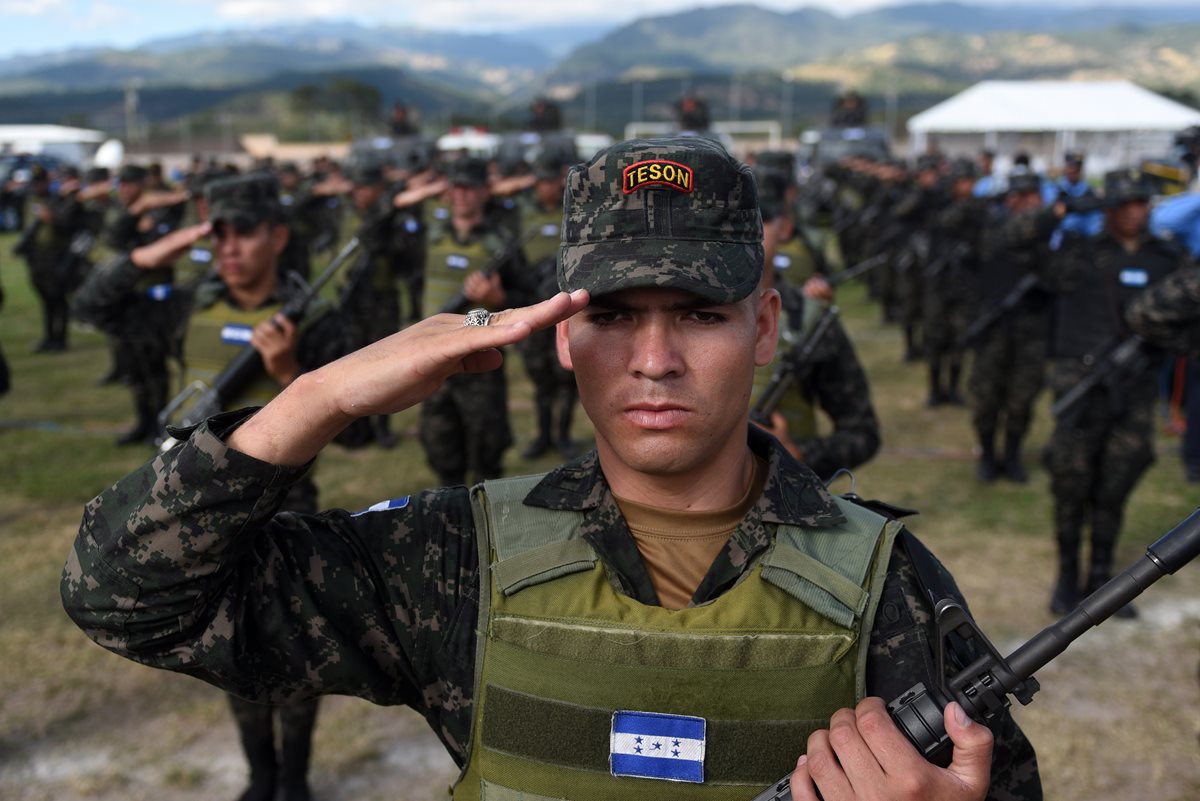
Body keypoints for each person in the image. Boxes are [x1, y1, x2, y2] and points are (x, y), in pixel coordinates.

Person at [63, 138, 1040, 801]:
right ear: (561, 338)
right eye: (611, 315)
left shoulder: (887, 588)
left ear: (767, 327)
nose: (655, 360)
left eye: (700, 313)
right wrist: (313, 398)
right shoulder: (452, 557)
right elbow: (125, 598)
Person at [77, 172, 367, 801]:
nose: (229, 246)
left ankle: (294, 780)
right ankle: (260, 777)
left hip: (286, 514)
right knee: (228, 656)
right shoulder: (189, 306)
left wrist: (294, 375)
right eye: (219, 233)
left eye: (245, 231)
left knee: (295, 654)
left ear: (279, 236)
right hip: (200, 516)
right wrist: (153, 250)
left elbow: (368, 435)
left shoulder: (315, 320)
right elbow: (93, 306)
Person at [1041, 169, 1187, 616]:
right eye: (1126, 204)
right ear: (1108, 210)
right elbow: (1025, 254)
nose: (1136, 212)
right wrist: (1060, 211)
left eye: (1142, 203)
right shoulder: (1079, 254)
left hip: (1136, 389)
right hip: (1082, 388)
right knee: (1071, 483)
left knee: (1115, 484)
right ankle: (1067, 576)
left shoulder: (1168, 256)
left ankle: (1100, 578)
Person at [417, 155, 533, 485]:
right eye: (456, 187)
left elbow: (525, 298)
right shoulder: (431, 236)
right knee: (440, 442)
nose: (462, 195)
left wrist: (497, 302)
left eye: (470, 188)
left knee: (487, 446)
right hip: (432, 353)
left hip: (478, 356)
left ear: (485, 192)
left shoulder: (501, 243)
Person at [966, 173, 1055, 483]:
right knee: (987, 399)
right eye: (1023, 195)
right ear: (1010, 199)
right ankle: (988, 456)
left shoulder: (1047, 237)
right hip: (994, 329)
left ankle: (1013, 455)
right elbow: (1013, 238)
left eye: (1034, 195)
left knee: (1022, 398)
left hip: (1030, 330)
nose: (1029, 202)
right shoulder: (995, 228)